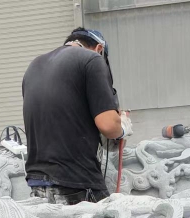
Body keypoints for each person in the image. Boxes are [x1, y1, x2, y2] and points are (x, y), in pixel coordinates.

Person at [22, 27, 132, 205]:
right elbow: (109, 127)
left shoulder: (34, 66)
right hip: (77, 185)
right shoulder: (92, 59)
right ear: (99, 48)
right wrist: (123, 126)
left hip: (37, 184)